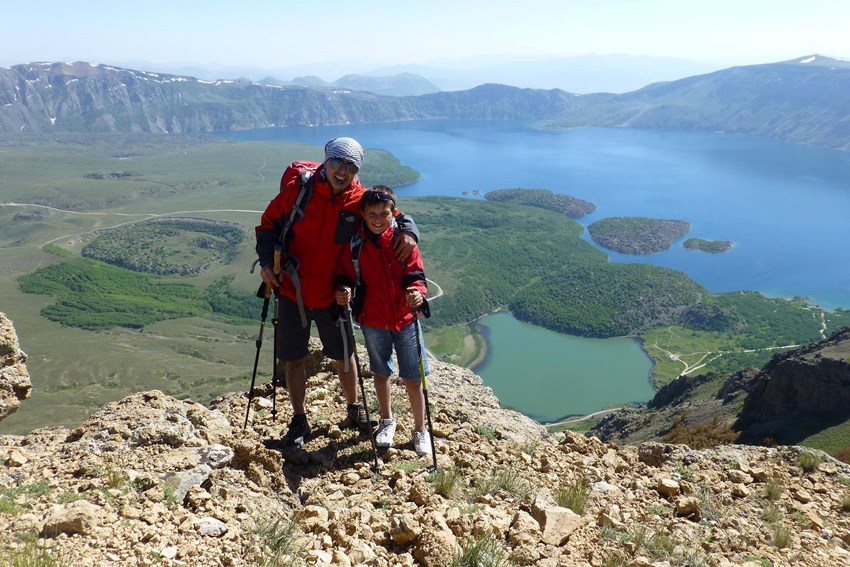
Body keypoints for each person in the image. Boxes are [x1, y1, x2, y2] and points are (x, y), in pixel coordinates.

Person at [255, 137, 419, 449]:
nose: (342, 171)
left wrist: (409, 231)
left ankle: (354, 407)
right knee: (294, 358)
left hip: (334, 296)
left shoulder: (359, 199)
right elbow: (267, 227)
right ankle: (299, 418)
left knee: (345, 356)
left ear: (357, 171)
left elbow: (391, 215)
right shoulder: (299, 191)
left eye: (350, 166)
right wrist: (266, 262)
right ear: (326, 161)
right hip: (293, 291)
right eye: (337, 162)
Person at [335, 185, 432, 456]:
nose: (378, 219)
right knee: (381, 373)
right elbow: (345, 275)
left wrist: (417, 293)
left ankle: (420, 429)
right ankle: (387, 421)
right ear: (363, 215)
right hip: (373, 320)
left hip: (404, 318)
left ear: (393, 213)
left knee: (413, 378)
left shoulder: (403, 241)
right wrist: (343, 291)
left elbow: (415, 274)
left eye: (384, 213)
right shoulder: (356, 243)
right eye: (372, 214)